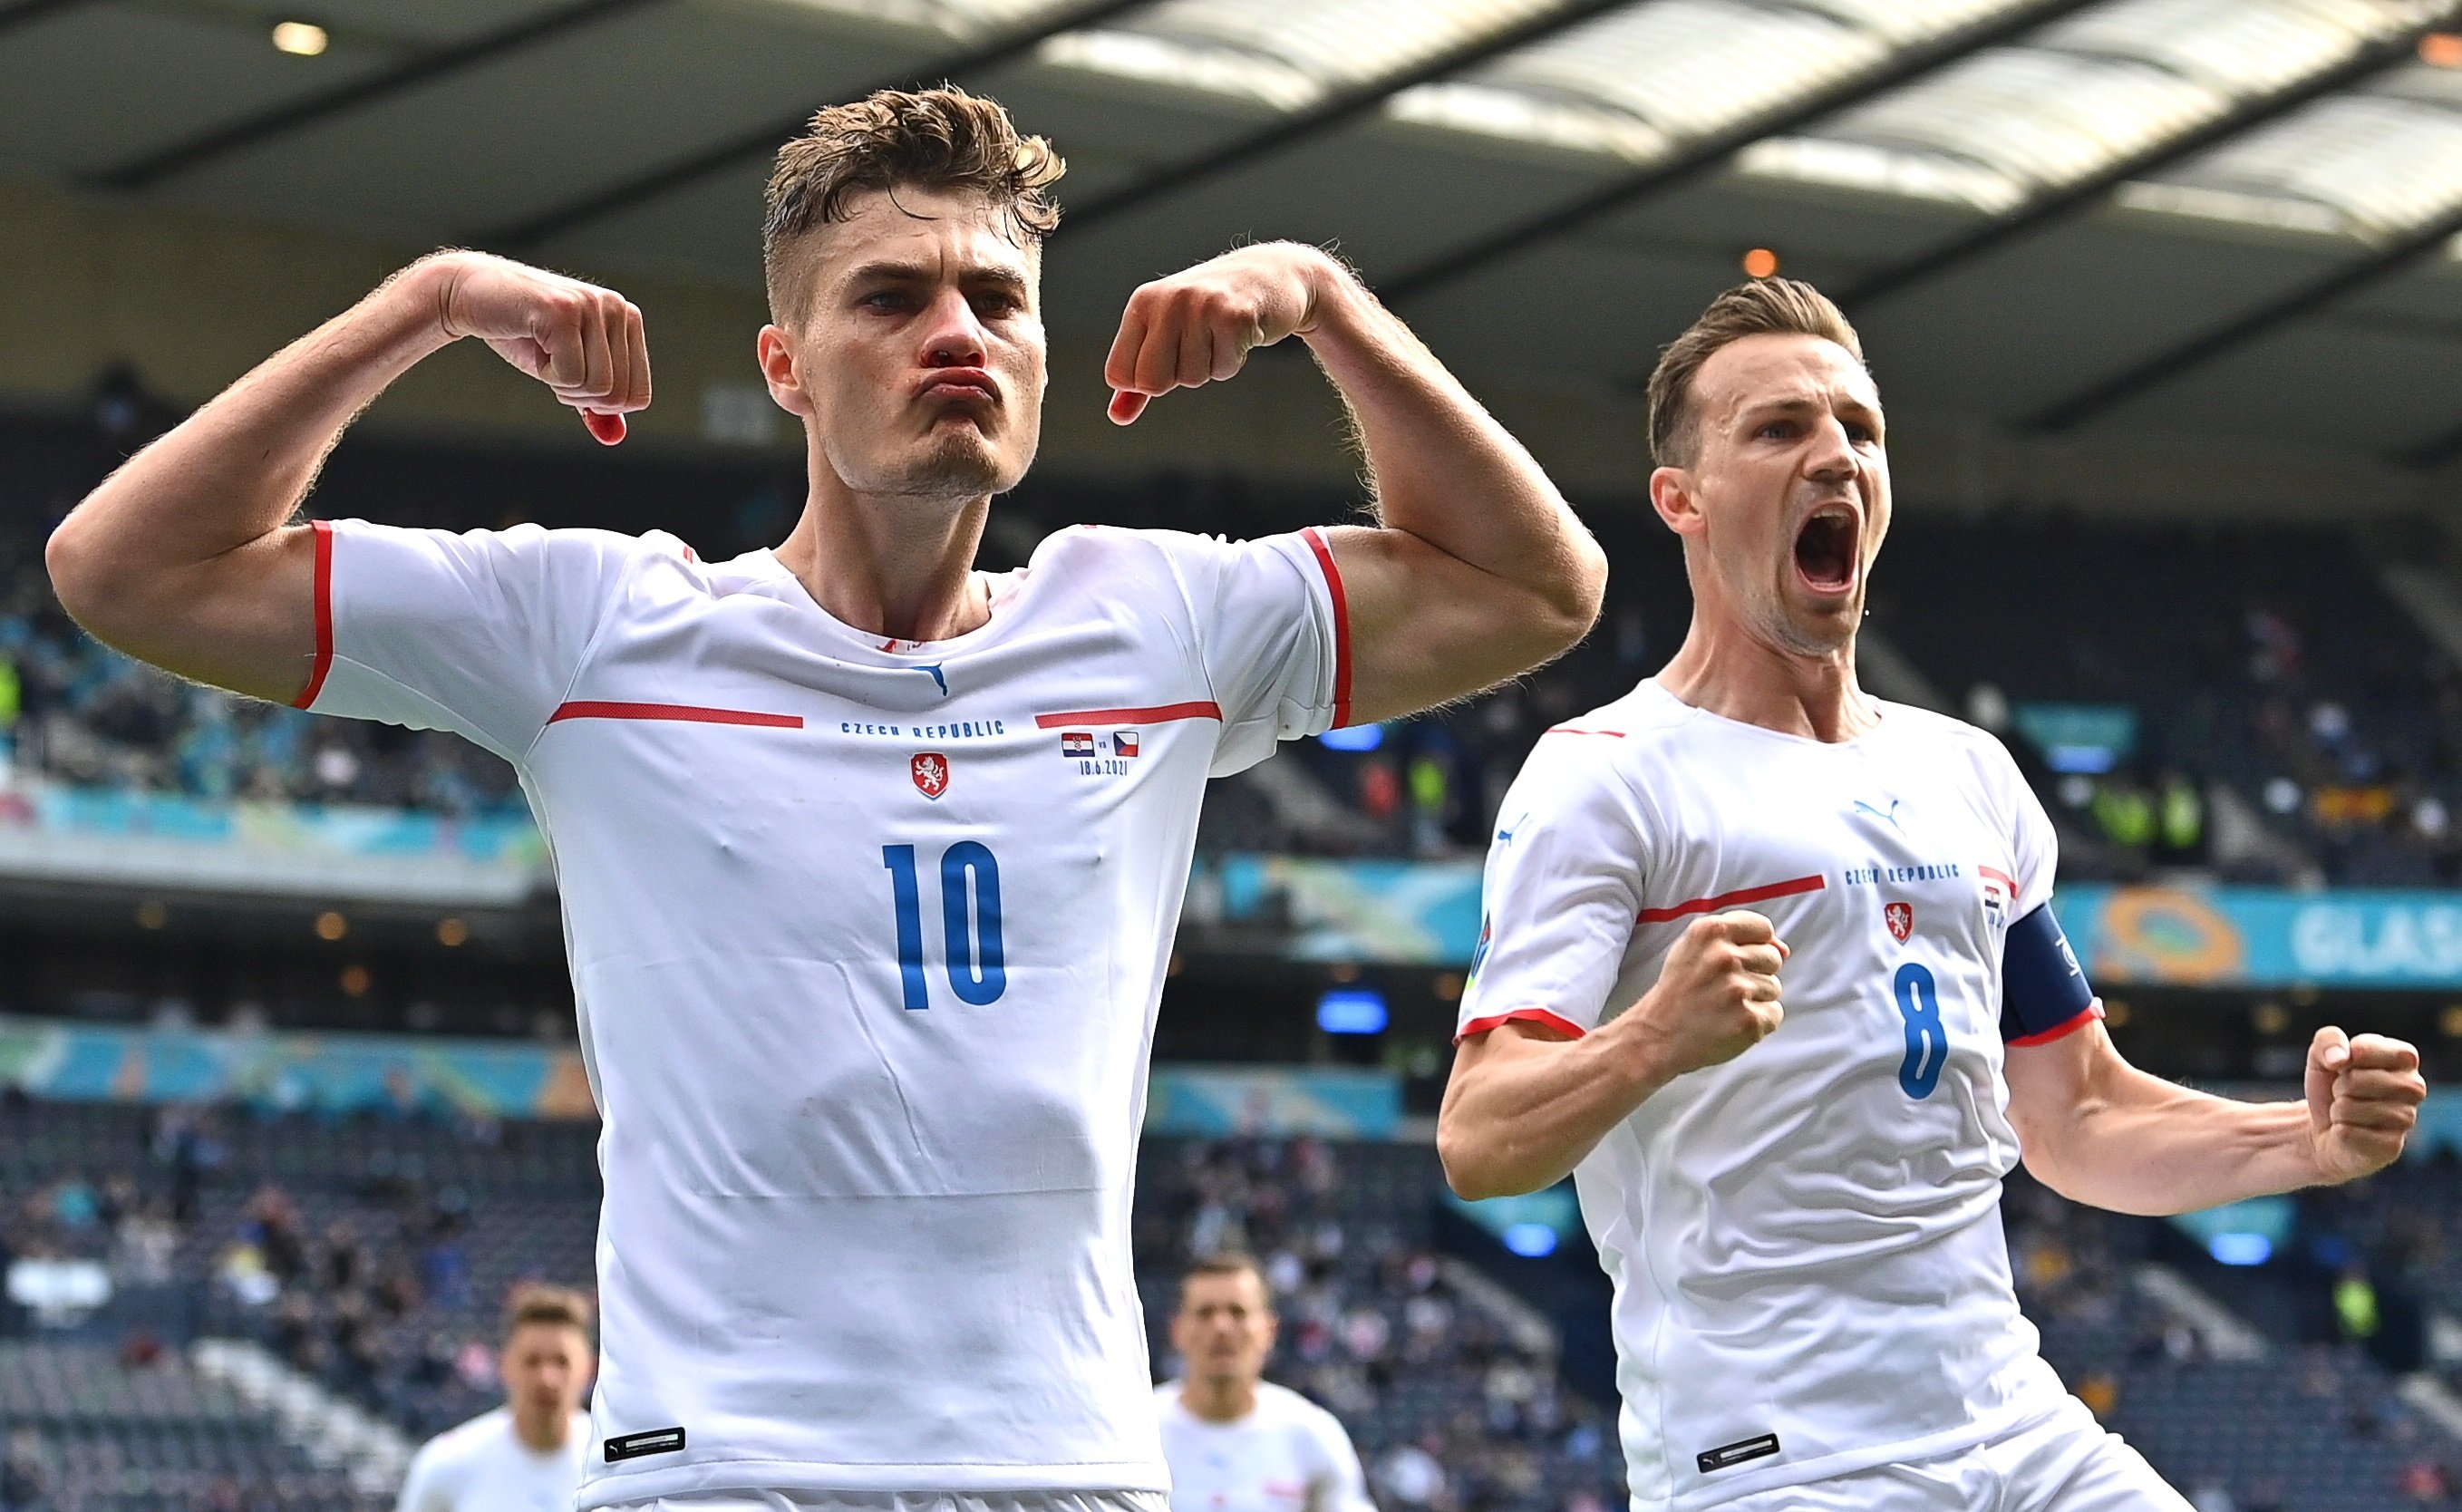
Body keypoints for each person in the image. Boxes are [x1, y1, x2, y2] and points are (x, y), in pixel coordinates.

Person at [46, 86, 1604, 1512]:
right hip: (724, 1464)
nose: (957, 334)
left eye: (997, 300)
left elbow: (1537, 587)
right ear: (784, 364)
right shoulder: (595, 628)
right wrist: (424, 305)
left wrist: (1322, 305)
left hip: (1067, 1460)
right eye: (892, 297)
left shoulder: (1157, 622)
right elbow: (126, 568)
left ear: (1047, 356)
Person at [1434, 277, 2427, 1512]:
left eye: (1859, 428)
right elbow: (1481, 1138)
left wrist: (2304, 1141)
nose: (1834, 456)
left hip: (2013, 1422)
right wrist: (1650, 1041)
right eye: (1780, 428)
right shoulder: (1608, 781)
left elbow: (2075, 1118)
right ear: (1681, 500)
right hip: (1780, 1459)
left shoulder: (1970, 776)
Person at [1155, 1255, 1373, 1512]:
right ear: (1177, 1330)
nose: (1221, 1327)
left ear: (1269, 1330)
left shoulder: (1310, 1434)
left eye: (1238, 1312)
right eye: (1205, 1313)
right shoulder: (1138, 1431)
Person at [396, 1284, 596, 1512]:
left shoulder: (616, 1466)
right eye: (532, 1361)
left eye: (562, 1362)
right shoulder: (445, 1466)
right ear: (506, 1364)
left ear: (588, 1368)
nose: (546, 1378)